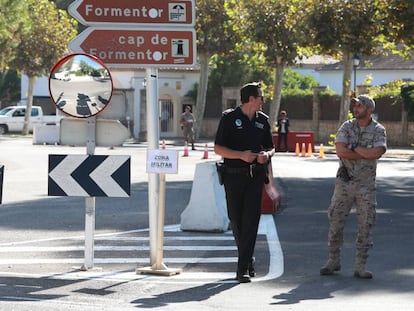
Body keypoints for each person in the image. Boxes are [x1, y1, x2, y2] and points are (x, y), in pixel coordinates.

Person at [320, 94, 387, 279]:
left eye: (360, 106)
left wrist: (355, 148)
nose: (356, 108)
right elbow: (340, 150)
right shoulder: (347, 126)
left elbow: (378, 152)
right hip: (344, 183)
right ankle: (333, 260)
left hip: (366, 185)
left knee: (366, 224)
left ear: (369, 109)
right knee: (335, 221)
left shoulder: (378, 129)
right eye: (355, 106)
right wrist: (364, 153)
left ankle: (360, 266)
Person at [214, 82, 275, 283]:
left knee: (251, 220)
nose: (263, 101)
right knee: (236, 219)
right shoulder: (229, 118)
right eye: (261, 97)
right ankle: (247, 259)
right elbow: (218, 148)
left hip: (255, 176)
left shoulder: (263, 121)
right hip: (233, 176)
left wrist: (266, 154)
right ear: (251, 99)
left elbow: (271, 147)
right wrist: (241, 155)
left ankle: (242, 269)